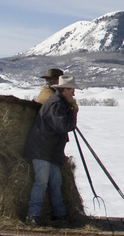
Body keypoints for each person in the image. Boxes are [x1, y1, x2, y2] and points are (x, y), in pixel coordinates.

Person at [24, 75, 80, 226]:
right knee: (41, 182)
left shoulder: (60, 103)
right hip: (42, 149)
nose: (74, 94)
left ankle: (59, 214)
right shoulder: (55, 104)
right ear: (64, 91)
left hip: (51, 150)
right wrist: (74, 112)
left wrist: (71, 110)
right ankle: (33, 215)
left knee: (56, 182)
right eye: (72, 90)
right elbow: (63, 126)